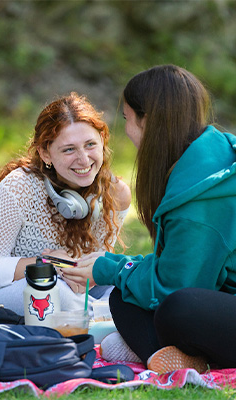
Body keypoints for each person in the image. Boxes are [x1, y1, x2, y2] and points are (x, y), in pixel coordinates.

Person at [62, 65, 236, 373]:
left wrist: (109, 268)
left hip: (208, 305)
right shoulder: (204, 158)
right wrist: (112, 267)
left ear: (149, 122)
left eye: (128, 119)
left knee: (179, 308)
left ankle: (180, 356)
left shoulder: (202, 198)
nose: (126, 130)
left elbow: (175, 287)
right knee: (123, 299)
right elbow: (174, 265)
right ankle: (175, 358)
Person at [0, 92, 131, 315]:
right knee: (58, 295)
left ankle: (107, 322)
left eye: (90, 144)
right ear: (45, 153)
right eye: (69, 149)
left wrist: (88, 274)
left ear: (102, 142)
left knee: (127, 286)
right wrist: (49, 264)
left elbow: (95, 273)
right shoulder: (19, 187)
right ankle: (104, 324)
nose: (84, 159)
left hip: (72, 290)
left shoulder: (116, 193)